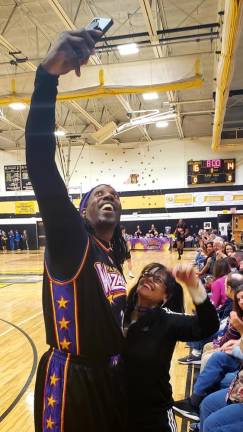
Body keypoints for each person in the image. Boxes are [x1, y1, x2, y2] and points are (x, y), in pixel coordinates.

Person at [25, 29, 128, 432]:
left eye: (115, 195)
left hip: (109, 377)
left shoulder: (112, 258)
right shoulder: (73, 241)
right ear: (82, 212)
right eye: (99, 194)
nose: (109, 197)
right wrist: (47, 77)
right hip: (71, 382)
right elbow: (40, 163)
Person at [123, 263, 219, 432]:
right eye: (146, 274)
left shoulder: (167, 321)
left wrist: (194, 286)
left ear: (166, 296)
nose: (148, 278)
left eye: (158, 278)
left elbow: (208, 325)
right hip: (117, 409)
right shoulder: (118, 312)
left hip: (154, 415)